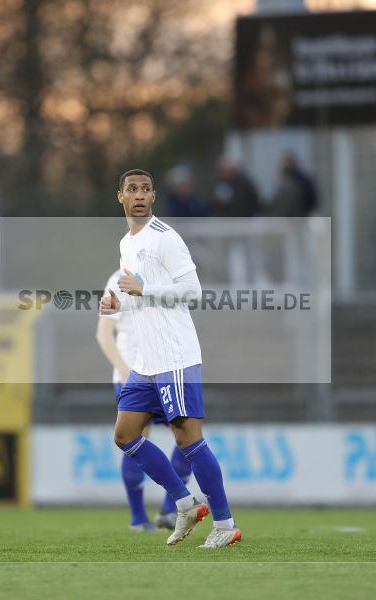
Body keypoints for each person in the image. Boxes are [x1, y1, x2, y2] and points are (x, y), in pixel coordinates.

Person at [99, 169, 241, 548]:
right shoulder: (127, 243)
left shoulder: (166, 238)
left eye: (146, 189)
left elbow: (192, 291)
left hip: (174, 355)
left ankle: (225, 524)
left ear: (154, 196)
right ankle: (183, 501)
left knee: (187, 437)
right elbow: (137, 294)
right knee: (125, 434)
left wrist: (145, 289)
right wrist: (118, 302)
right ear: (121, 197)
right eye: (132, 189)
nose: (140, 194)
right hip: (145, 361)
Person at [96, 270, 193, 532]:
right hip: (132, 373)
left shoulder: (166, 277)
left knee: (188, 433)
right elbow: (104, 333)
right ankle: (138, 518)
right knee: (136, 437)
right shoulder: (118, 278)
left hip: (166, 371)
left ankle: (170, 510)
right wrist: (124, 369)